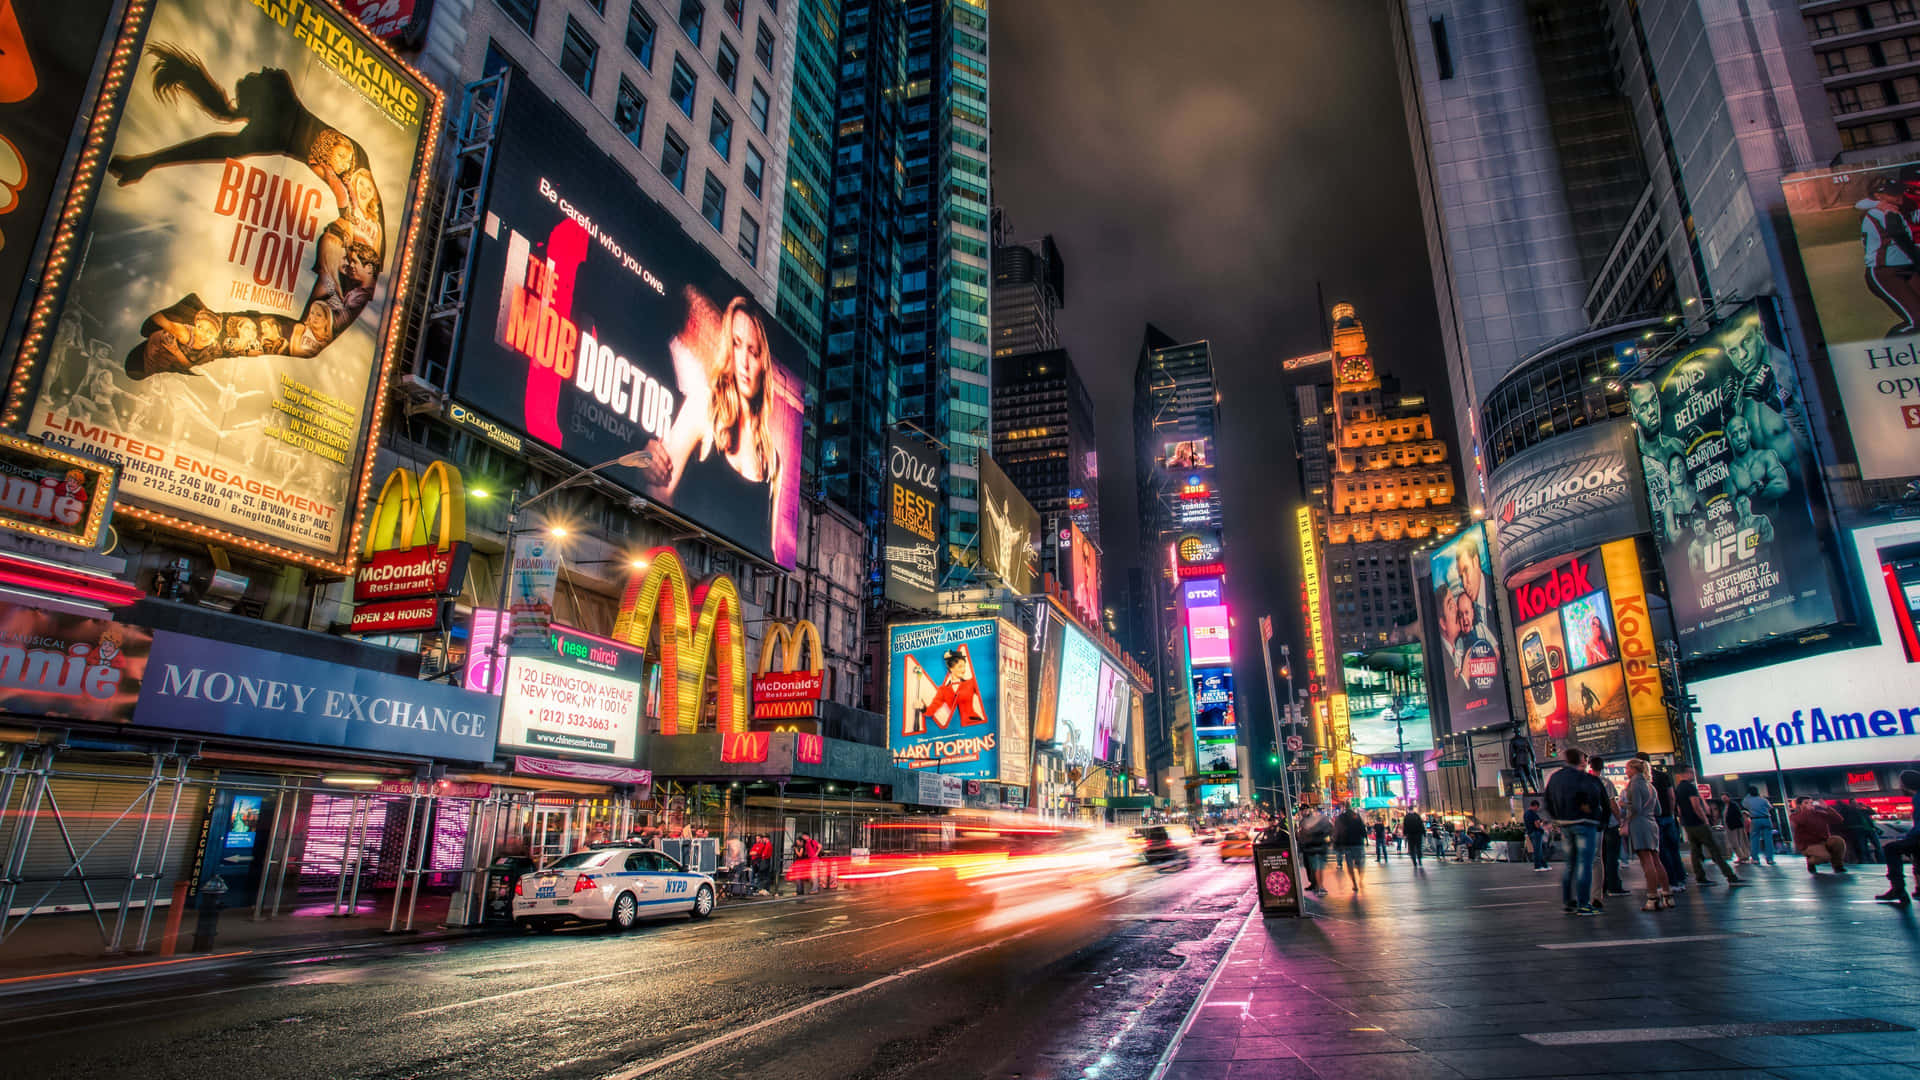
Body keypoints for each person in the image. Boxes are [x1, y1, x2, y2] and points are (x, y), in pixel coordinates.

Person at [1546, 747, 1608, 915]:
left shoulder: (1555, 778)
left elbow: (1548, 800)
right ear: (1580, 760)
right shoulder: (1584, 778)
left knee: (1570, 865)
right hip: (1584, 823)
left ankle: (1569, 902)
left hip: (1565, 824)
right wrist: (1595, 816)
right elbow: (1594, 798)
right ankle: (1583, 904)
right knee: (1585, 864)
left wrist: (1557, 818)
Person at [1860, 175, 1920, 334]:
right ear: (1878, 196)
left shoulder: (1889, 209)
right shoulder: (1884, 213)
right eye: (1893, 193)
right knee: (1917, 321)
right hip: (1885, 272)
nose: (1898, 195)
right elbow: (1900, 237)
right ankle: (1894, 350)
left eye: (1898, 191)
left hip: (1906, 267)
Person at [1675, 766, 1744, 886]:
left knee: (1695, 851)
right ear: (1685, 773)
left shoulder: (1679, 789)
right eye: (1691, 773)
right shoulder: (1690, 788)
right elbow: (1696, 806)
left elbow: (1679, 808)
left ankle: (1700, 877)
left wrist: (1683, 820)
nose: (1693, 775)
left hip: (1688, 824)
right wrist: (1705, 819)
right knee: (1714, 849)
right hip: (1698, 823)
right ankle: (1730, 876)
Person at [1621, 758, 1672, 910]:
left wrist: (1623, 805)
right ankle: (1667, 895)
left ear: (1634, 769)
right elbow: (1659, 811)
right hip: (1652, 822)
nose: (1626, 771)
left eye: (1628, 768)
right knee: (1657, 860)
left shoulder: (1634, 784)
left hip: (1639, 823)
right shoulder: (1650, 786)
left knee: (1646, 861)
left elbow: (1635, 807)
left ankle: (1652, 897)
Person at [1876, 769, 1920, 904]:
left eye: (1900, 783)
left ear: (1906, 784)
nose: (1899, 787)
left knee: (1891, 849)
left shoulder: (1918, 798)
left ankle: (1898, 888)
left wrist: (1908, 837)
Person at [1590, 755, 1628, 899]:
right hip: (1610, 824)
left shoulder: (1587, 782)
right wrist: (1621, 820)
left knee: (1600, 858)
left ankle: (1602, 886)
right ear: (1603, 767)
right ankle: (1614, 886)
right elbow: (1613, 805)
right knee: (1612, 856)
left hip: (1596, 825)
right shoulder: (1606, 783)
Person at [1649, 760, 1689, 892]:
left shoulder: (1646, 780)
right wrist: (1671, 813)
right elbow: (1671, 796)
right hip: (1668, 817)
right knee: (1674, 849)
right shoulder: (1663, 776)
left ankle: (1671, 881)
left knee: (1662, 852)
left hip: (1656, 818)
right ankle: (1681, 878)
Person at [1789, 797, 1848, 875]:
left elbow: (1838, 819)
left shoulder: (1819, 814)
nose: (1810, 804)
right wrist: (1806, 810)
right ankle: (1810, 861)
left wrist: (1827, 808)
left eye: (1811, 802)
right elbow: (1802, 820)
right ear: (1799, 805)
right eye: (1806, 803)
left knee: (1838, 841)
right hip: (1808, 844)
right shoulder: (1795, 816)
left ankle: (1838, 866)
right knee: (1825, 857)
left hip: (1823, 841)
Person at [1298, 805, 1333, 896]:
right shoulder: (1303, 821)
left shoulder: (1308, 821)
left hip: (1313, 848)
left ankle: (1318, 886)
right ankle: (1317, 885)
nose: (1304, 812)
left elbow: (1302, 836)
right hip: (1312, 847)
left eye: (1305, 810)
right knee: (1314, 868)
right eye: (1302, 810)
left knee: (1316, 868)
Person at [1333, 803, 1368, 892]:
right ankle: (1360, 878)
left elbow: (1337, 831)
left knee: (1350, 865)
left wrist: (1336, 843)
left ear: (1344, 807)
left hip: (1347, 844)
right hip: (1358, 843)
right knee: (1360, 862)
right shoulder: (1356, 816)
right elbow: (1363, 830)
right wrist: (1365, 838)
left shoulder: (1341, 818)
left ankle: (1354, 883)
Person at [1837, 800, 1883, 864]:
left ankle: (1879, 860)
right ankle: (1866, 860)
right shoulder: (1850, 811)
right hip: (1861, 830)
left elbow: (1872, 812)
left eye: (1856, 803)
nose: (1856, 804)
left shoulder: (1862, 811)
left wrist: (1865, 806)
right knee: (1863, 846)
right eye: (1854, 803)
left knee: (1876, 846)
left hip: (1869, 829)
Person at [1742, 787, 1778, 866]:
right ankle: (1770, 859)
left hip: (1755, 820)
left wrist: (1748, 795)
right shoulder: (1763, 800)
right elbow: (1770, 807)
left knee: (1754, 840)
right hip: (1766, 819)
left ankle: (1755, 859)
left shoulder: (1747, 800)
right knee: (1768, 840)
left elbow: (1744, 804)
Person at [1720, 792, 1752, 865]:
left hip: (1735, 826)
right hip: (1730, 827)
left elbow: (1736, 815)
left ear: (1728, 797)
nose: (1723, 799)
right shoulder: (1725, 806)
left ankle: (1743, 856)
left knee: (1737, 842)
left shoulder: (1733, 805)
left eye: (1725, 798)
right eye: (1722, 798)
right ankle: (1741, 856)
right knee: (1735, 842)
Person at [1523, 799, 1550, 871]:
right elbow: (1537, 825)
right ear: (1535, 806)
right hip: (1536, 833)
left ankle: (1543, 865)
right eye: (1537, 807)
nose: (1537, 809)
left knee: (1538, 850)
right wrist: (1541, 826)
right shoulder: (1532, 813)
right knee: (1538, 850)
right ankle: (1538, 866)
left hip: (1530, 832)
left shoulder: (1526, 813)